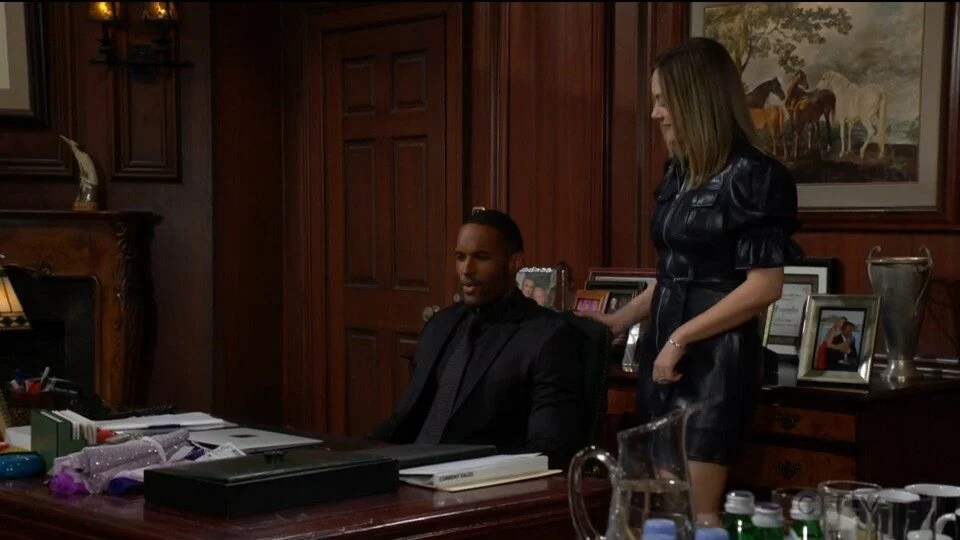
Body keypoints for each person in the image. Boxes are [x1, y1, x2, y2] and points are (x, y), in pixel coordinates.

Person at [579, 37, 804, 525]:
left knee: (698, 514)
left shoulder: (755, 175)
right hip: (664, 354)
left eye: (664, 100)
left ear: (696, 100)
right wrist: (619, 320)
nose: (655, 113)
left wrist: (679, 339)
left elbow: (764, 287)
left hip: (713, 360)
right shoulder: (680, 174)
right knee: (664, 513)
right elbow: (675, 273)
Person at [369, 209, 588, 469]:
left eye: (481, 257)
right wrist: (355, 456)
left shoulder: (548, 336)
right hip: (408, 469)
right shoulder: (440, 325)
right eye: (460, 257)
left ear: (514, 263)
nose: (466, 270)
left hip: (477, 481)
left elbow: (549, 450)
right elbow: (405, 418)